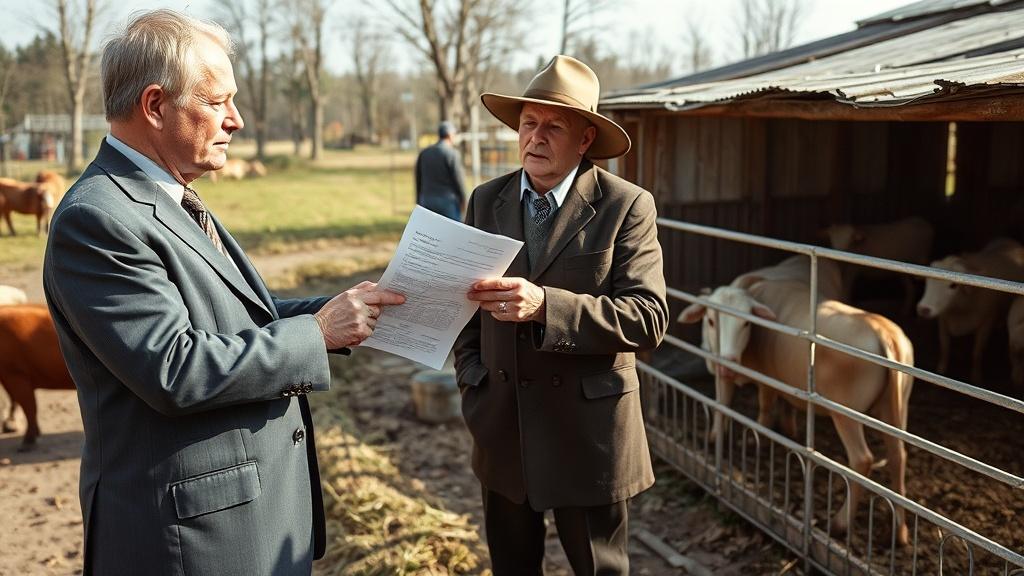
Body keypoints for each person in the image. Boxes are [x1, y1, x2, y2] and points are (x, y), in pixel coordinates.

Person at [42, 10, 404, 576]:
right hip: (190, 543)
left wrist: (339, 310)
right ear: (156, 106)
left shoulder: (168, 195)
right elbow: (175, 368)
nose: (235, 120)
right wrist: (317, 333)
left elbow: (235, 318)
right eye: (217, 102)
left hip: (245, 523)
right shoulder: (97, 219)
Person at [454, 55, 669, 575]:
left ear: (586, 138)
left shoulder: (626, 206)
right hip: (504, 427)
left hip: (588, 435)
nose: (536, 137)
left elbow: (648, 318)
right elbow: (463, 312)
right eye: (528, 123)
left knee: (600, 569)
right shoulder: (487, 200)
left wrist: (546, 306)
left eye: (554, 126)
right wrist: (473, 380)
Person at [415, 120, 466, 220]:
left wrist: (418, 199)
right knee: (452, 232)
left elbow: (418, 177)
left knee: (429, 232)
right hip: (447, 201)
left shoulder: (424, 153)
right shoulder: (452, 154)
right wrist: (464, 199)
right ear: (450, 135)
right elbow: (459, 179)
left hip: (426, 200)